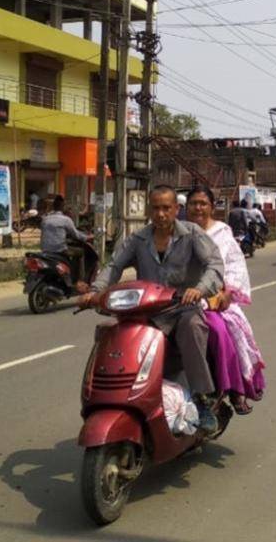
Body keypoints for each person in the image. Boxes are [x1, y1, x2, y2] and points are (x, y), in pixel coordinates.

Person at [79, 185, 225, 433]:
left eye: (166, 208)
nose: (161, 214)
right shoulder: (138, 239)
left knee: (192, 327)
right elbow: (114, 267)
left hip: (182, 308)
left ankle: (202, 400)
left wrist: (199, 289)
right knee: (116, 335)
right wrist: (95, 291)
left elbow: (214, 265)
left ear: (176, 209)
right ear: (149, 210)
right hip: (147, 311)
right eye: (156, 208)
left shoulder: (192, 234)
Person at [186, 186, 265, 415]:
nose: (198, 208)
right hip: (178, 300)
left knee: (219, 330)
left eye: (203, 203)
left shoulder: (222, 233)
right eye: (193, 203)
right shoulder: (177, 232)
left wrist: (226, 293)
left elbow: (234, 266)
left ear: (212, 207)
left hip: (213, 300)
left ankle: (231, 389)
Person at [40, 195, 92, 283]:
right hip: (59, 250)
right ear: (63, 207)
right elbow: (76, 235)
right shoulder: (66, 220)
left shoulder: (45, 219)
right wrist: (88, 237)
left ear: (53, 206)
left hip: (45, 250)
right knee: (81, 253)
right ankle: (79, 280)